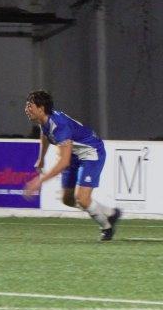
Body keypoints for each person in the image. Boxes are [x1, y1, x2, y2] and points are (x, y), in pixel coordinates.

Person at [22, 90, 122, 241]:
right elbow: (45, 134)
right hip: (74, 155)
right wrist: (41, 159)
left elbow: (64, 162)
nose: (26, 109)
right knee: (67, 200)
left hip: (91, 152)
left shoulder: (59, 126)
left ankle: (107, 227)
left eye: (30, 106)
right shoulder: (45, 120)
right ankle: (111, 213)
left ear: (41, 108)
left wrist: (39, 181)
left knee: (82, 199)